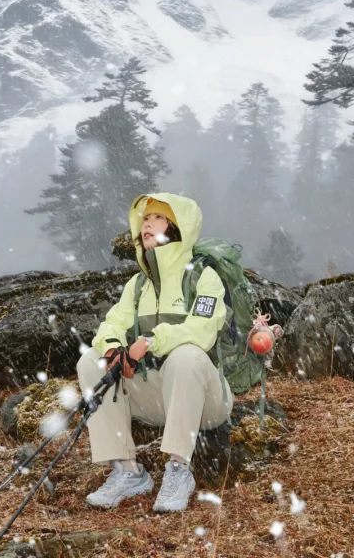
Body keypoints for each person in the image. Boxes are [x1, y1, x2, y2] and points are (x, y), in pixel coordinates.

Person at [76, 192, 232, 513]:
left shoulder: (203, 277)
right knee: (92, 361)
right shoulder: (138, 285)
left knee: (186, 356)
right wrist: (113, 348)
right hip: (157, 399)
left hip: (205, 402)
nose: (147, 224)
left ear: (177, 226)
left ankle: (178, 470)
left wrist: (150, 341)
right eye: (145, 219)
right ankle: (127, 471)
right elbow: (111, 324)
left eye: (158, 218)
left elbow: (202, 330)